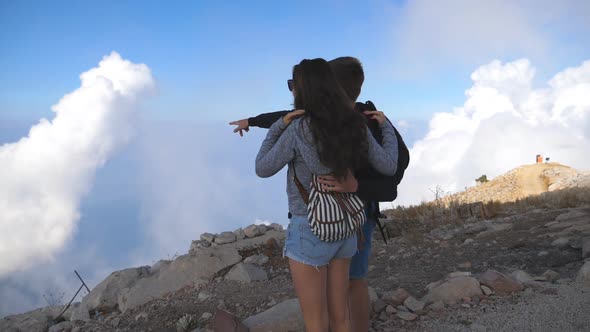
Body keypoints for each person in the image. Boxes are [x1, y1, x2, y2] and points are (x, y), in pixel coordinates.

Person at [232, 57, 402, 331]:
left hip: (310, 228)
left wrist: (279, 126)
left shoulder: (298, 129)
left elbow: (262, 168)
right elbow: (389, 165)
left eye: (292, 86)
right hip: (347, 227)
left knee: (316, 322)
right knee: (340, 318)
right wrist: (385, 127)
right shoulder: (356, 123)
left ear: (303, 90)